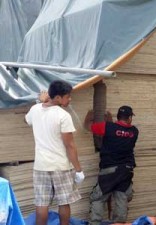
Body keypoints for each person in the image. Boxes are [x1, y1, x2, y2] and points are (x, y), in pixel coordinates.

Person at [25, 80, 85, 225]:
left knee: (41, 204)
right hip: (61, 167)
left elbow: (27, 120)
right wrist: (78, 170)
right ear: (58, 97)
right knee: (64, 202)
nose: (69, 99)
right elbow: (69, 145)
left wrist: (41, 102)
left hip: (40, 166)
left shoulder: (35, 109)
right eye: (68, 96)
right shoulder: (63, 116)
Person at [84, 106, 139, 225]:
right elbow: (119, 132)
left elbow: (88, 127)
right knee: (122, 197)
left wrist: (89, 115)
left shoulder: (107, 127)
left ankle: (95, 223)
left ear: (118, 116)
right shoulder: (134, 132)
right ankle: (119, 223)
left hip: (109, 170)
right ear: (129, 118)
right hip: (126, 171)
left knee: (99, 198)